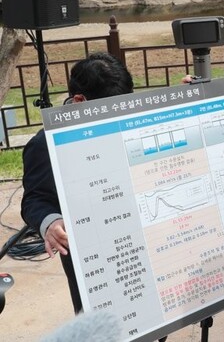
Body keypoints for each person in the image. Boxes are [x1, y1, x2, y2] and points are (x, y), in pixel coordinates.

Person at [21, 52, 134, 314]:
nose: (119, 115)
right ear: (80, 101)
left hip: (136, 237)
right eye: (109, 110)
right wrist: (49, 222)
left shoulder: (130, 119)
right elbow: (34, 199)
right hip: (90, 252)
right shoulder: (45, 143)